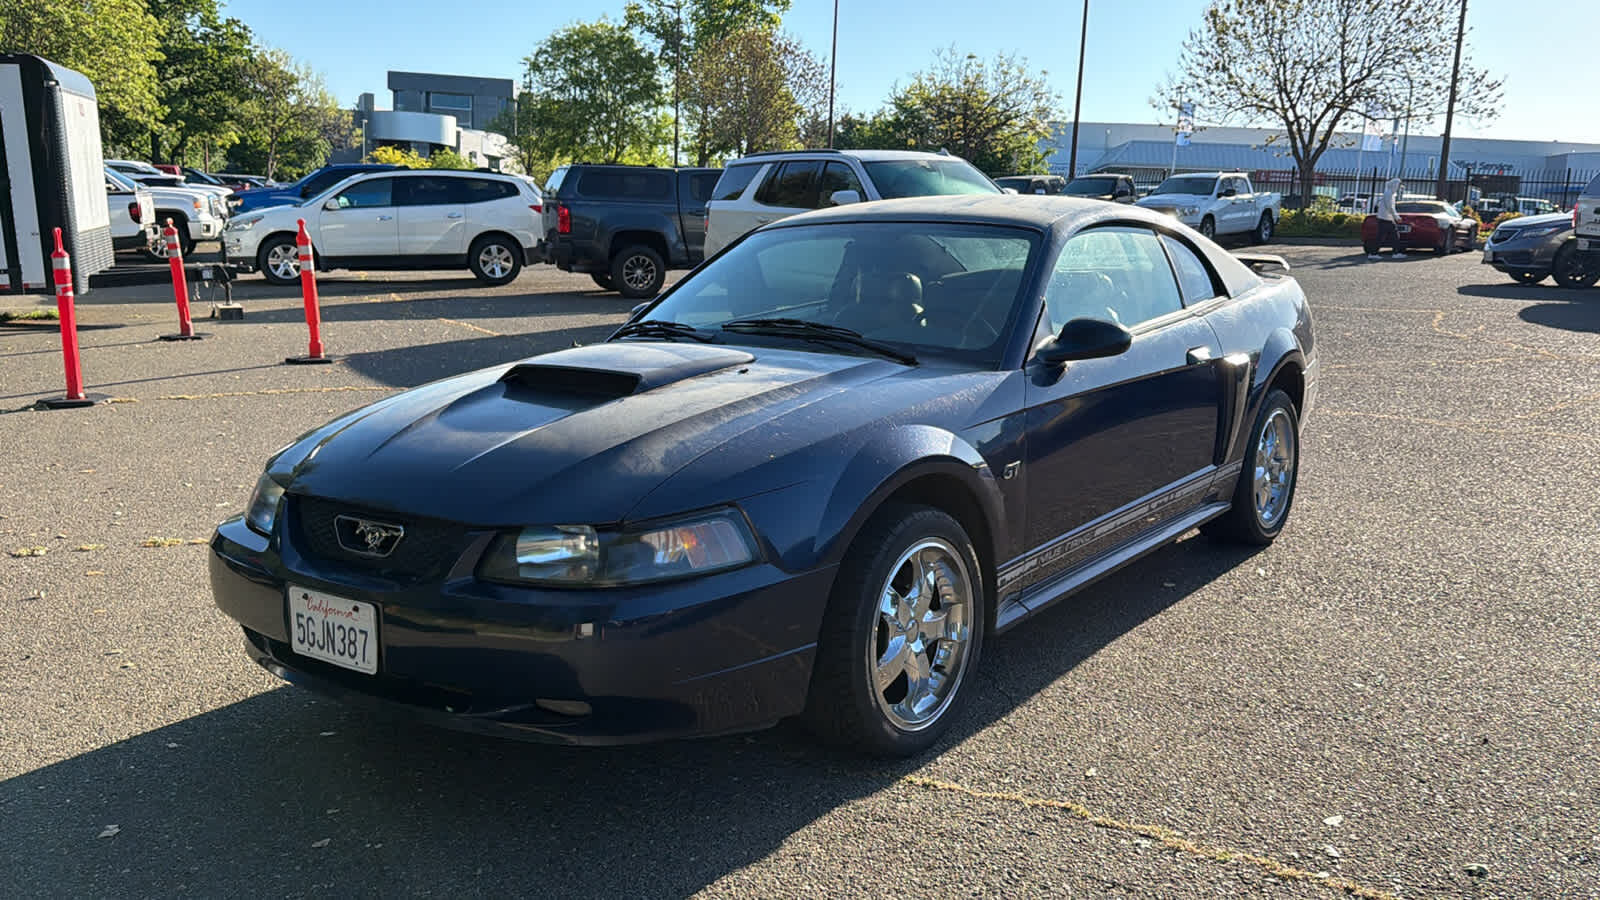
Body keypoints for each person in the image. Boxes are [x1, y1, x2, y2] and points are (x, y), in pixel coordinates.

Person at [1370, 177, 1406, 260]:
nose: (1398, 188)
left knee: (1392, 236)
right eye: (1398, 186)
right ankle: (1374, 253)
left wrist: (1395, 217)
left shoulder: (1389, 193)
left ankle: (1395, 252)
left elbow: (1390, 207)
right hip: (1386, 219)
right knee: (1388, 236)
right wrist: (1397, 217)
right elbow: (1390, 207)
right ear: (1395, 185)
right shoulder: (1389, 194)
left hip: (1386, 218)